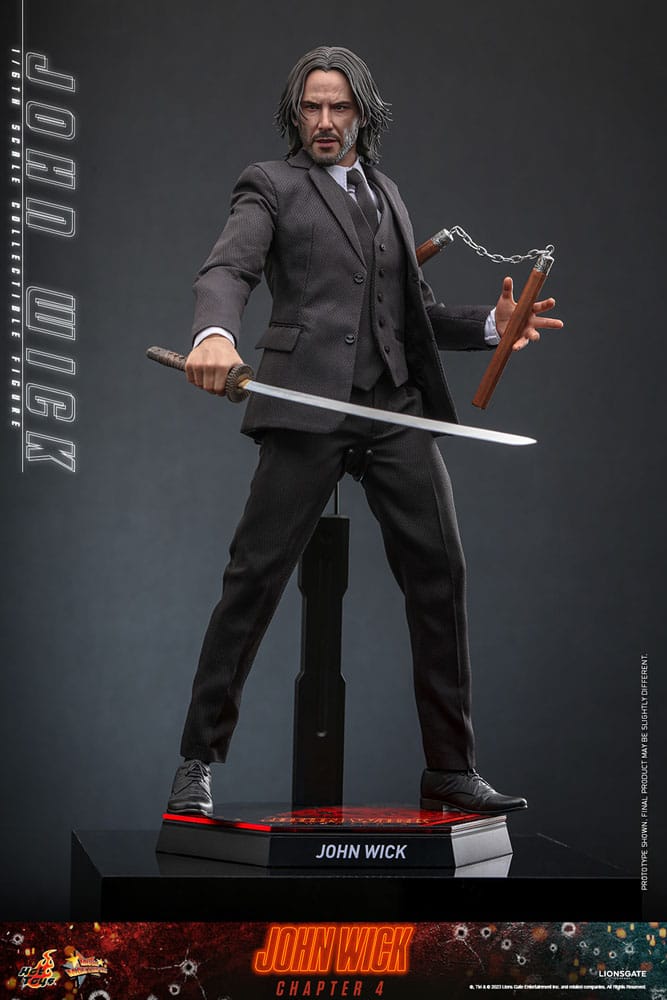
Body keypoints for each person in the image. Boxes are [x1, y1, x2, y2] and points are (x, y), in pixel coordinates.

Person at [166, 46, 562, 817]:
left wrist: (492, 325)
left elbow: (410, 313)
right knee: (253, 580)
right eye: (311, 107)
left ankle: (449, 767)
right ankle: (194, 763)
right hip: (305, 406)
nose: (324, 121)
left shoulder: (387, 195)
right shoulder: (269, 185)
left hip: (393, 410)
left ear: (362, 114)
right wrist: (214, 334)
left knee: (439, 572)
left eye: (338, 107)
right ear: (294, 115)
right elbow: (227, 271)